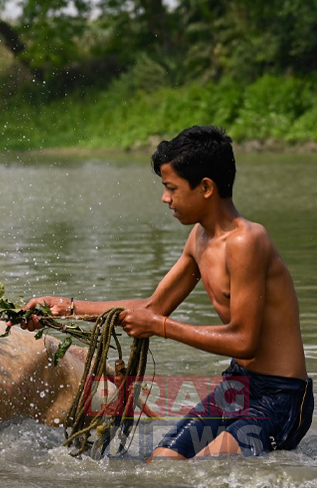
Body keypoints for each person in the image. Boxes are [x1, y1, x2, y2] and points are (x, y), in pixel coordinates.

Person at [23, 125, 313, 459]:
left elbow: (243, 340)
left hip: (280, 397)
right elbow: (153, 306)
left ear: (206, 187)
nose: (165, 198)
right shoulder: (199, 238)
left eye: (171, 188)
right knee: (162, 462)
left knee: (205, 468)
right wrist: (65, 307)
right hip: (239, 385)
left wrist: (159, 327)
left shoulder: (247, 241)